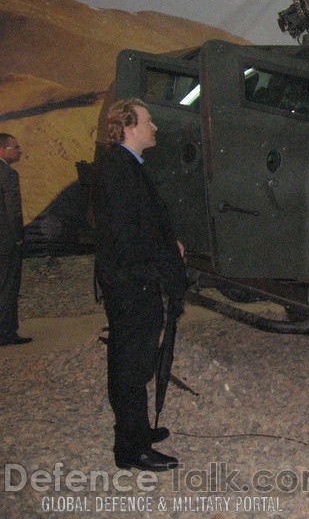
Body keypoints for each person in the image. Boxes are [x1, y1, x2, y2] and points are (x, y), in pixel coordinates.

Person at [93, 99, 187, 472]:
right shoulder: (119, 168)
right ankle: (131, 449)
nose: (155, 128)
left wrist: (168, 246)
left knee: (133, 360)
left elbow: (141, 222)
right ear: (129, 127)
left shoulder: (125, 165)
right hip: (133, 283)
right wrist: (154, 268)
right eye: (149, 121)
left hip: (134, 279)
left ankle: (138, 431)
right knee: (130, 365)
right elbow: (126, 234)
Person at [0, 133, 32, 347]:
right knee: (8, 287)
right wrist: (18, 238)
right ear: (2, 150)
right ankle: (6, 332)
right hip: (6, 241)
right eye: (15, 147)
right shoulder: (8, 174)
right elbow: (13, 211)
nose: (19, 151)